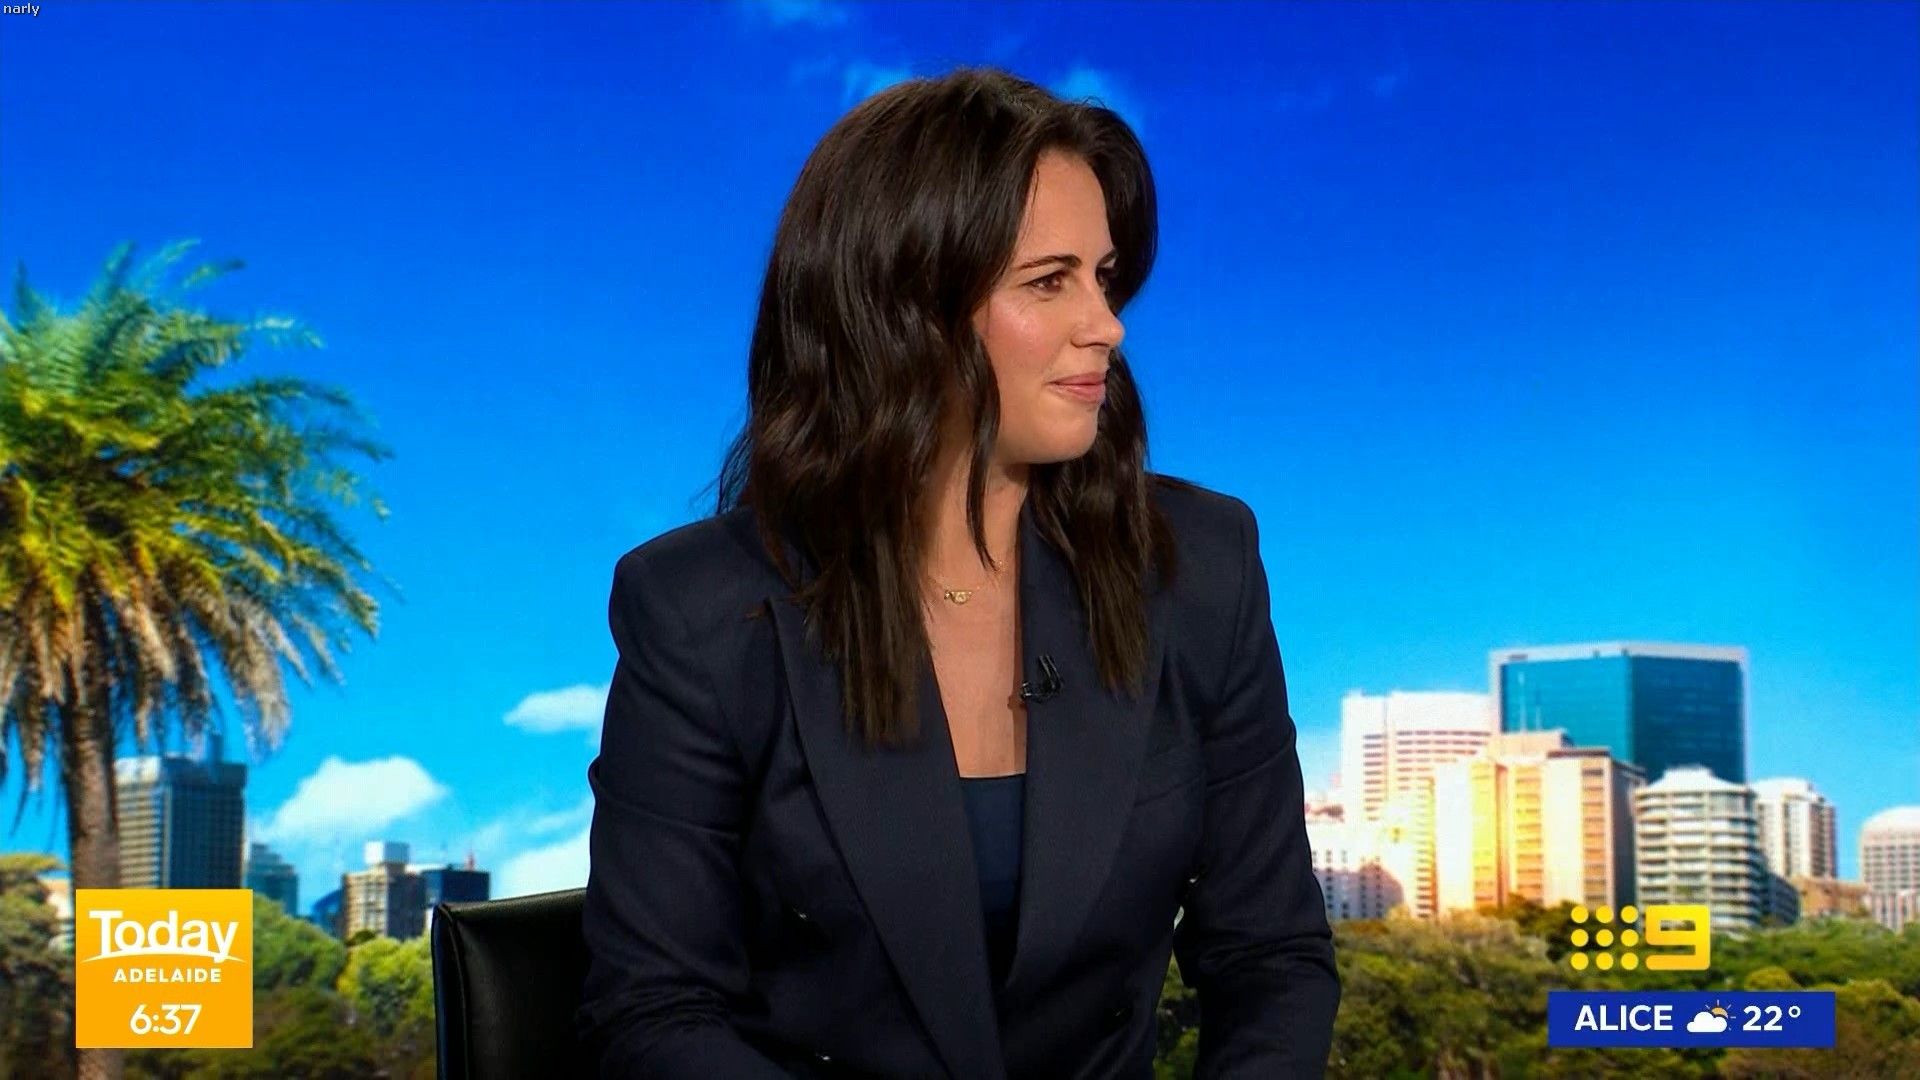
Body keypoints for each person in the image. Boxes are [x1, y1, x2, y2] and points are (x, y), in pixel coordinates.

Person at [575, 65, 1339, 1079]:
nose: (1106, 324)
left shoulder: (1198, 566)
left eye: (1104, 276)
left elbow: (1273, 960)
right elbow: (656, 1010)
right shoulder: (701, 614)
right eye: (1049, 281)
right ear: (904, 310)